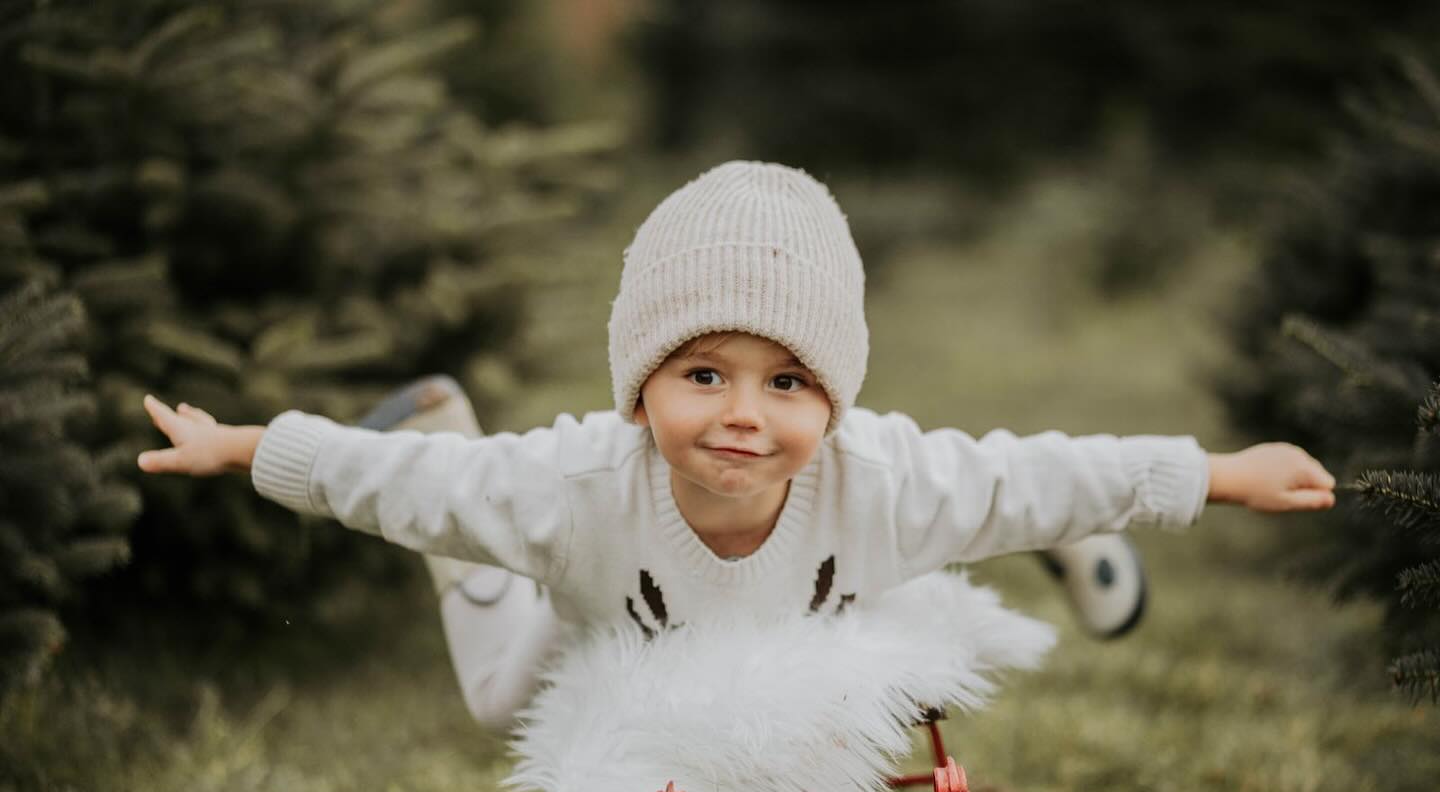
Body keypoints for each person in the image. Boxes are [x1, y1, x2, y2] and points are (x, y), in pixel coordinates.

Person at [137, 160, 1334, 731]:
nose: (743, 415)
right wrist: (250, 446)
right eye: (702, 375)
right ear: (642, 385)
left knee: (985, 507)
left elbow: (1032, 473)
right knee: (504, 693)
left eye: (788, 381)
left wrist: (1219, 475)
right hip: (604, 588)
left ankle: (1062, 552)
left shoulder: (884, 476)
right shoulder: (572, 485)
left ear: (836, 400)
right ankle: (472, 508)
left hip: (864, 553)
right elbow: (398, 481)